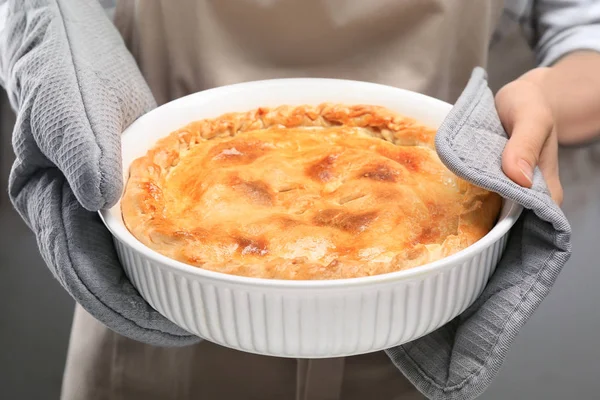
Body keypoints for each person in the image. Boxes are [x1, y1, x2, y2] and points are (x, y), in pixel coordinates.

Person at [1, 0, 600, 399]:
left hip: (412, 338)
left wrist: (545, 94)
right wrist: (41, 26)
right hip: (148, 336)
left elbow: (586, 35)